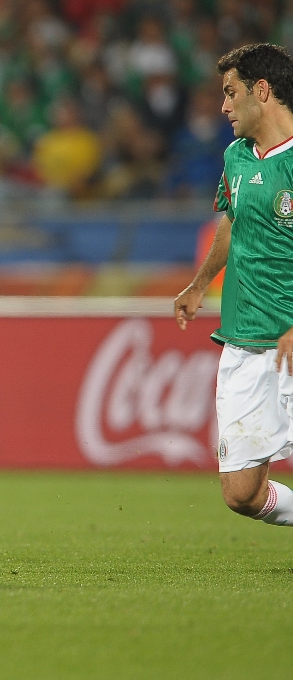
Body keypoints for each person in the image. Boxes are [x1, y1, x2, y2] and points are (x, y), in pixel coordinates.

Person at [175, 43, 293, 533]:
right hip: (244, 341)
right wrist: (199, 283)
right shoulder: (236, 156)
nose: (223, 107)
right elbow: (232, 221)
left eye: (230, 93)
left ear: (260, 91)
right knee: (241, 494)